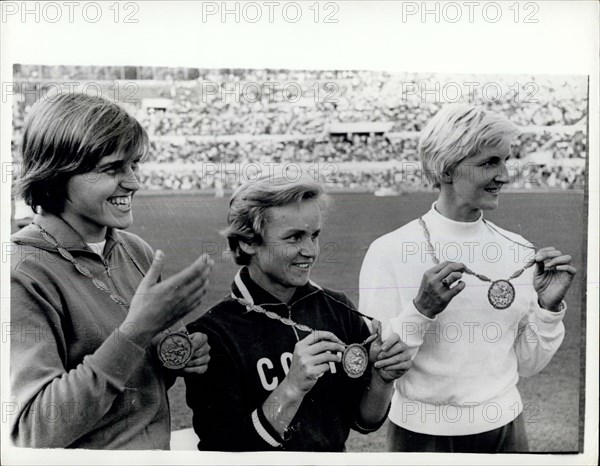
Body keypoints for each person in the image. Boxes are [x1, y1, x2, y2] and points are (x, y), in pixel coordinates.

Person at [359, 103, 577, 452]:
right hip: (420, 435)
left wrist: (548, 311)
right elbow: (379, 363)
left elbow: (528, 363)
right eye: (489, 162)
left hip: (506, 430)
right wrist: (421, 310)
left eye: (506, 160)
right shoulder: (389, 251)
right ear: (447, 170)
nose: (505, 175)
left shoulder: (520, 250)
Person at [10, 93, 214, 449]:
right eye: (113, 169)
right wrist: (137, 331)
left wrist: (177, 355)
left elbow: (136, 389)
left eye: (134, 165)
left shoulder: (137, 251)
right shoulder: (22, 272)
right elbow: (33, 429)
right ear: (57, 175)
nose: (134, 182)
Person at [185, 176, 411, 451]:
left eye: (314, 235)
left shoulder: (337, 308)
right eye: (294, 237)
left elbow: (364, 420)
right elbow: (222, 449)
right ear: (248, 242)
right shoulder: (213, 334)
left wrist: (382, 379)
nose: (310, 251)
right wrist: (290, 388)